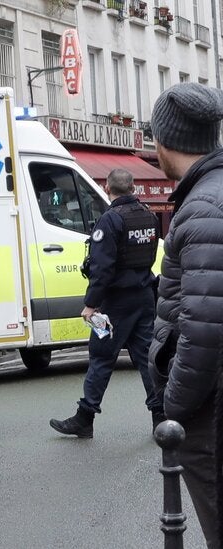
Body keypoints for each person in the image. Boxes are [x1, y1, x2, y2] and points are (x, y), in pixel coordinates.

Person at [147, 82, 223, 548]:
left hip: (211, 414)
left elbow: (203, 329)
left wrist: (173, 407)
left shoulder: (201, 208)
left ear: (163, 138)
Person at [50, 169, 163, 438]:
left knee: (101, 357)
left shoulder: (110, 220)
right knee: (147, 358)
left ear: (107, 187)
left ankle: (85, 417)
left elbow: (102, 269)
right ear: (133, 187)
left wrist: (91, 304)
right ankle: (160, 417)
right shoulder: (149, 216)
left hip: (117, 303)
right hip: (145, 296)